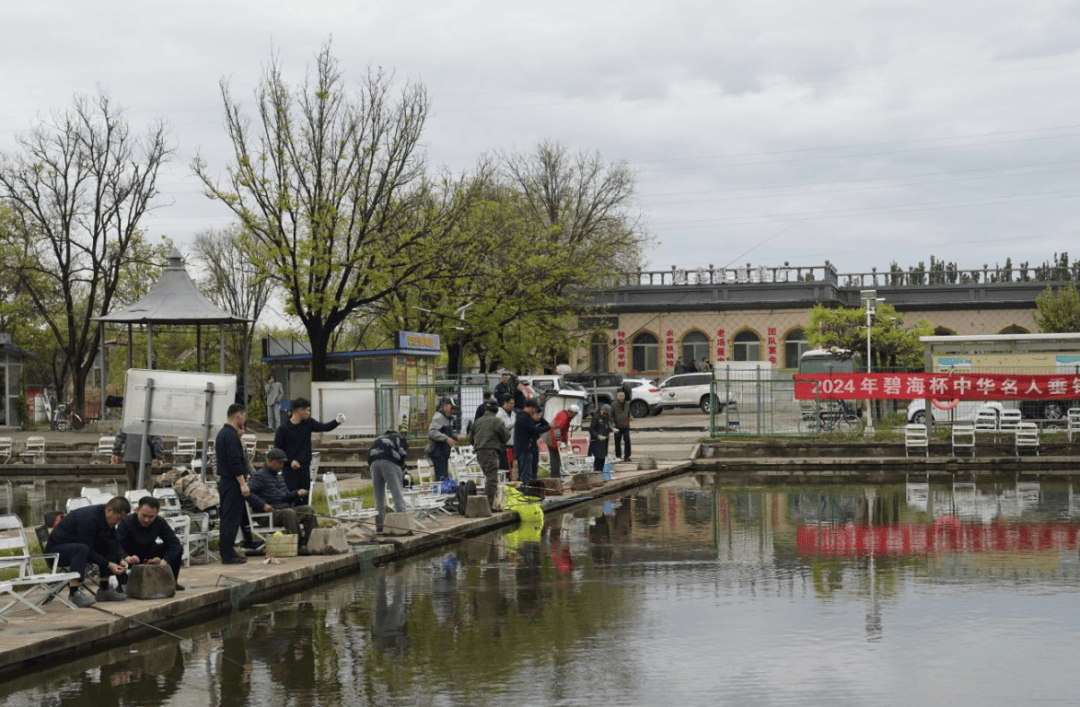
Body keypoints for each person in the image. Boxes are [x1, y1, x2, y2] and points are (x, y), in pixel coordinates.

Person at [46, 496, 132, 607]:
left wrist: (121, 559)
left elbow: (114, 540)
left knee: (108, 544)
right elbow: (88, 550)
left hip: (77, 548)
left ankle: (104, 589)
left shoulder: (106, 516)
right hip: (55, 553)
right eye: (117, 519)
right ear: (110, 510)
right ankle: (74, 594)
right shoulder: (89, 519)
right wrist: (109, 564)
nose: (117, 523)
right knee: (81, 549)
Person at [247, 447, 317, 555]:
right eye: (278, 462)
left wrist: (297, 493)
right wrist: (263, 505)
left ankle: (311, 543)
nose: (281, 465)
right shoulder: (259, 476)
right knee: (289, 513)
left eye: (282, 463)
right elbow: (248, 493)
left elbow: (286, 496)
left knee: (308, 510)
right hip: (267, 514)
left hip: (283, 511)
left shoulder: (279, 477)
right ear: (270, 461)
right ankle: (298, 545)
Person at [274, 397, 345, 492]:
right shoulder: (283, 429)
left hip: (304, 468)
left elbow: (324, 427)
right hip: (289, 470)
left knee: (305, 497)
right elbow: (278, 450)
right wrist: (290, 461)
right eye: (308, 410)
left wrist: (337, 421)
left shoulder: (308, 423)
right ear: (300, 411)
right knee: (291, 497)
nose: (309, 413)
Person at [116, 496, 185, 591]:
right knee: (113, 551)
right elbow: (117, 544)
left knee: (178, 548)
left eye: (151, 517)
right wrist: (125, 557)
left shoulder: (159, 522)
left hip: (149, 552)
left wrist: (165, 560)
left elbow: (174, 543)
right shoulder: (126, 522)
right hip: (131, 555)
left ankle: (171, 582)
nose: (147, 520)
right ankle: (121, 584)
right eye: (144, 515)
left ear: (156, 513)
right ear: (137, 510)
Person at [216, 403, 250, 565]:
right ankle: (228, 554)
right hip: (231, 482)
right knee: (231, 518)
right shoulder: (230, 436)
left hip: (226, 481)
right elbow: (234, 462)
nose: (244, 419)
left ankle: (227, 550)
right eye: (243, 416)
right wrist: (242, 483)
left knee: (228, 517)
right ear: (238, 416)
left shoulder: (223, 434)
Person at [470, 400, 510, 508]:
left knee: (488, 478)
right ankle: (487, 507)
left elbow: (471, 439)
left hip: (479, 452)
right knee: (492, 480)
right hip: (491, 451)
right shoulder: (497, 421)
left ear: (486, 410)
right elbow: (506, 436)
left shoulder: (477, 421)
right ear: (496, 410)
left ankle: (488, 504)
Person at [367, 429, 409, 534]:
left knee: (378, 496)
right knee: (397, 493)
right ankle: (402, 526)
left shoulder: (379, 438)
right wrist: (402, 467)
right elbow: (402, 453)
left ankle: (380, 527)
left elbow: (369, 454)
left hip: (374, 463)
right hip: (390, 462)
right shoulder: (400, 438)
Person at [514, 398, 550, 492]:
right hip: (525, 449)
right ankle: (524, 492)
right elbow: (534, 430)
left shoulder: (526, 417)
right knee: (526, 473)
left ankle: (529, 490)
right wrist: (549, 427)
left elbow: (537, 428)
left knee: (531, 471)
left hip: (529, 448)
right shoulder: (523, 418)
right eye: (533, 410)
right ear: (528, 408)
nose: (534, 412)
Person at [425, 397, 459, 482]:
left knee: (444, 475)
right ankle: (440, 492)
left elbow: (447, 433)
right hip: (437, 451)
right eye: (452, 408)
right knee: (441, 475)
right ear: (445, 406)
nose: (453, 410)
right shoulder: (439, 417)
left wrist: (456, 437)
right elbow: (432, 432)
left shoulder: (448, 418)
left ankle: (444, 491)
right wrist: (446, 438)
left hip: (444, 451)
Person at [545, 403, 579, 479]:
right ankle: (555, 477)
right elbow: (557, 427)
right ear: (573, 412)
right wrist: (558, 439)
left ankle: (556, 476)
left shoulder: (567, 416)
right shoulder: (564, 417)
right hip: (552, 438)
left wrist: (566, 442)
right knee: (555, 459)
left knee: (556, 459)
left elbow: (564, 431)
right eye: (576, 414)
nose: (576, 415)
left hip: (553, 437)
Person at [496, 393, 516, 477]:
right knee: (504, 467)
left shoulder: (513, 414)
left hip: (513, 444)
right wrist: (517, 422)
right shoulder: (499, 414)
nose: (512, 405)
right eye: (511, 403)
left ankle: (512, 482)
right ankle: (504, 484)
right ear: (505, 403)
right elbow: (507, 426)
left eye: (513, 403)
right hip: (503, 445)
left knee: (512, 466)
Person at [589, 404, 613, 471]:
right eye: (604, 413)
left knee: (603, 458)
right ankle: (596, 470)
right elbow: (591, 429)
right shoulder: (596, 417)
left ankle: (601, 471)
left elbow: (607, 426)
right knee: (598, 458)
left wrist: (611, 429)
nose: (605, 414)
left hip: (604, 441)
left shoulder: (606, 418)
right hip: (597, 441)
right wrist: (598, 436)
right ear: (601, 410)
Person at [611, 389, 633, 462]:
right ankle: (618, 456)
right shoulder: (613, 405)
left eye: (622, 395)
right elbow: (611, 415)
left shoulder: (627, 404)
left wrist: (630, 416)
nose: (621, 397)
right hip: (617, 426)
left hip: (626, 425)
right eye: (620, 396)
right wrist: (612, 423)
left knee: (627, 441)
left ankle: (627, 456)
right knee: (617, 442)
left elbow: (628, 412)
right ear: (617, 397)